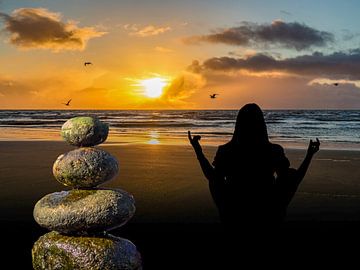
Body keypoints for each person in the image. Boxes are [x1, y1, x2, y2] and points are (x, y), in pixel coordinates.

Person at [188, 103, 320, 226]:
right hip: (267, 207)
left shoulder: (226, 150)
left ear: (238, 125)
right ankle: (275, 216)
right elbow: (292, 180)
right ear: (262, 124)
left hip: (234, 207)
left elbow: (212, 177)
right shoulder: (273, 150)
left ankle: (228, 217)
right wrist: (309, 156)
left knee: (215, 180)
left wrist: (198, 151)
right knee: (288, 176)